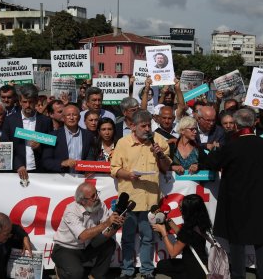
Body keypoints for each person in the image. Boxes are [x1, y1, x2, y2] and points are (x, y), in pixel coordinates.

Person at [207, 108, 263, 279]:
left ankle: (238, 275)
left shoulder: (232, 146)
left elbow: (214, 163)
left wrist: (214, 149)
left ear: (235, 125)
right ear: (253, 123)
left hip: (237, 199)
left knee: (237, 240)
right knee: (259, 238)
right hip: (259, 198)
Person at [111, 110, 172, 279]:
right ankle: (127, 270)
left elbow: (166, 166)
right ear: (133, 126)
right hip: (129, 199)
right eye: (143, 126)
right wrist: (128, 174)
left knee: (148, 236)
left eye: (149, 125)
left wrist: (160, 154)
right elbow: (114, 169)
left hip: (150, 199)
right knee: (128, 237)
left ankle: (147, 270)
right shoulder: (123, 143)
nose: (147, 129)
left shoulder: (158, 140)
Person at [51, 182, 123, 279]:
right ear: (82, 201)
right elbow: (83, 236)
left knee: (109, 243)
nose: (97, 198)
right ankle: (60, 271)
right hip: (66, 249)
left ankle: (96, 276)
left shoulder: (100, 206)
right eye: (93, 196)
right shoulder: (71, 210)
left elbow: (106, 233)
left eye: (96, 193)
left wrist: (116, 225)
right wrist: (107, 223)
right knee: (77, 274)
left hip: (86, 248)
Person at [0, 84, 52, 180]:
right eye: (25, 102)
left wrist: (40, 147)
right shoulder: (10, 121)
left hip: (40, 171)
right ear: (19, 101)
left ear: (36, 101)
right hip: (17, 171)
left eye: (31, 102)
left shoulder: (46, 121)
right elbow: (6, 146)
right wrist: (18, 165)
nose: (28, 105)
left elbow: (51, 147)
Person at [152, 194, 211, 279]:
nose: (180, 210)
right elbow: (183, 236)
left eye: (181, 208)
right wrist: (168, 219)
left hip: (192, 270)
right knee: (164, 265)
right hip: (203, 265)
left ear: (188, 211)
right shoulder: (200, 223)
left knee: (161, 265)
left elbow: (173, 253)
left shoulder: (188, 230)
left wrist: (163, 232)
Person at [42, 104, 94, 173]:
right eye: (68, 115)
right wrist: (62, 163)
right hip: (61, 179)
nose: (71, 118)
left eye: (74, 115)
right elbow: (46, 161)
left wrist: (88, 167)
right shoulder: (53, 136)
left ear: (79, 117)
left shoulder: (88, 135)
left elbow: (90, 157)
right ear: (63, 118)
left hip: (81, 177)